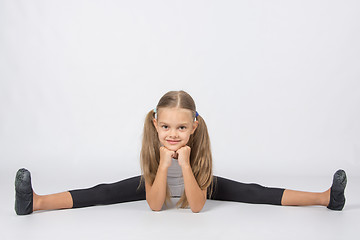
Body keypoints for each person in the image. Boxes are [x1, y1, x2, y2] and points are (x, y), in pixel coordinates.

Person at [14, 90, 347, 215]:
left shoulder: (197, 153)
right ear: (156, 125)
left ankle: (325, 197)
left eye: (182, 128)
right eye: (167, 127)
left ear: (195, 127)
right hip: (155, 180)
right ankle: (35, 202)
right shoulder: (154, 148)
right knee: (102, 192)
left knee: (254, 192)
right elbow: (156, 206)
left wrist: (185, 164)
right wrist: (162, 165)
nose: (173, 134)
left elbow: (197, 207)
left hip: (196, 180)